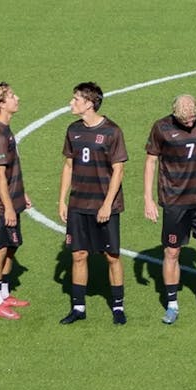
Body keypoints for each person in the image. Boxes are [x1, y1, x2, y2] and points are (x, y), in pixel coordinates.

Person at [144, 94, 196, 325]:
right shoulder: (161, 128)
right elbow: (151, 161)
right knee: (172, 252)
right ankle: (172, 305)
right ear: (175, 115)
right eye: (185, 120)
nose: (190, 123)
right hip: (174, 201)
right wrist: (148, 198)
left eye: (192, 119)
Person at [57, 82, 129, 325]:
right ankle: (78, 308)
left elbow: (119, 171)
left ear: (89, 103)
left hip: (104, 205)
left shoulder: (112, 132)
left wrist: (107, 204)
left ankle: (118, 307)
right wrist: (62, 200)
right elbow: (68, 166)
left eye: (75, 99)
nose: (71, 103)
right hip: (78, 204)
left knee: (111, 256)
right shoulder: (73, 130)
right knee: (78, 255)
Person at [0, 82, 31, 319]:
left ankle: (4, 292)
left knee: (11, 247)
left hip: (10, 198)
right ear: (1, 103)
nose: (17, 98)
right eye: (12, 96)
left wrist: (21, 194)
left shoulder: (3, 128)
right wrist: (9, 206)